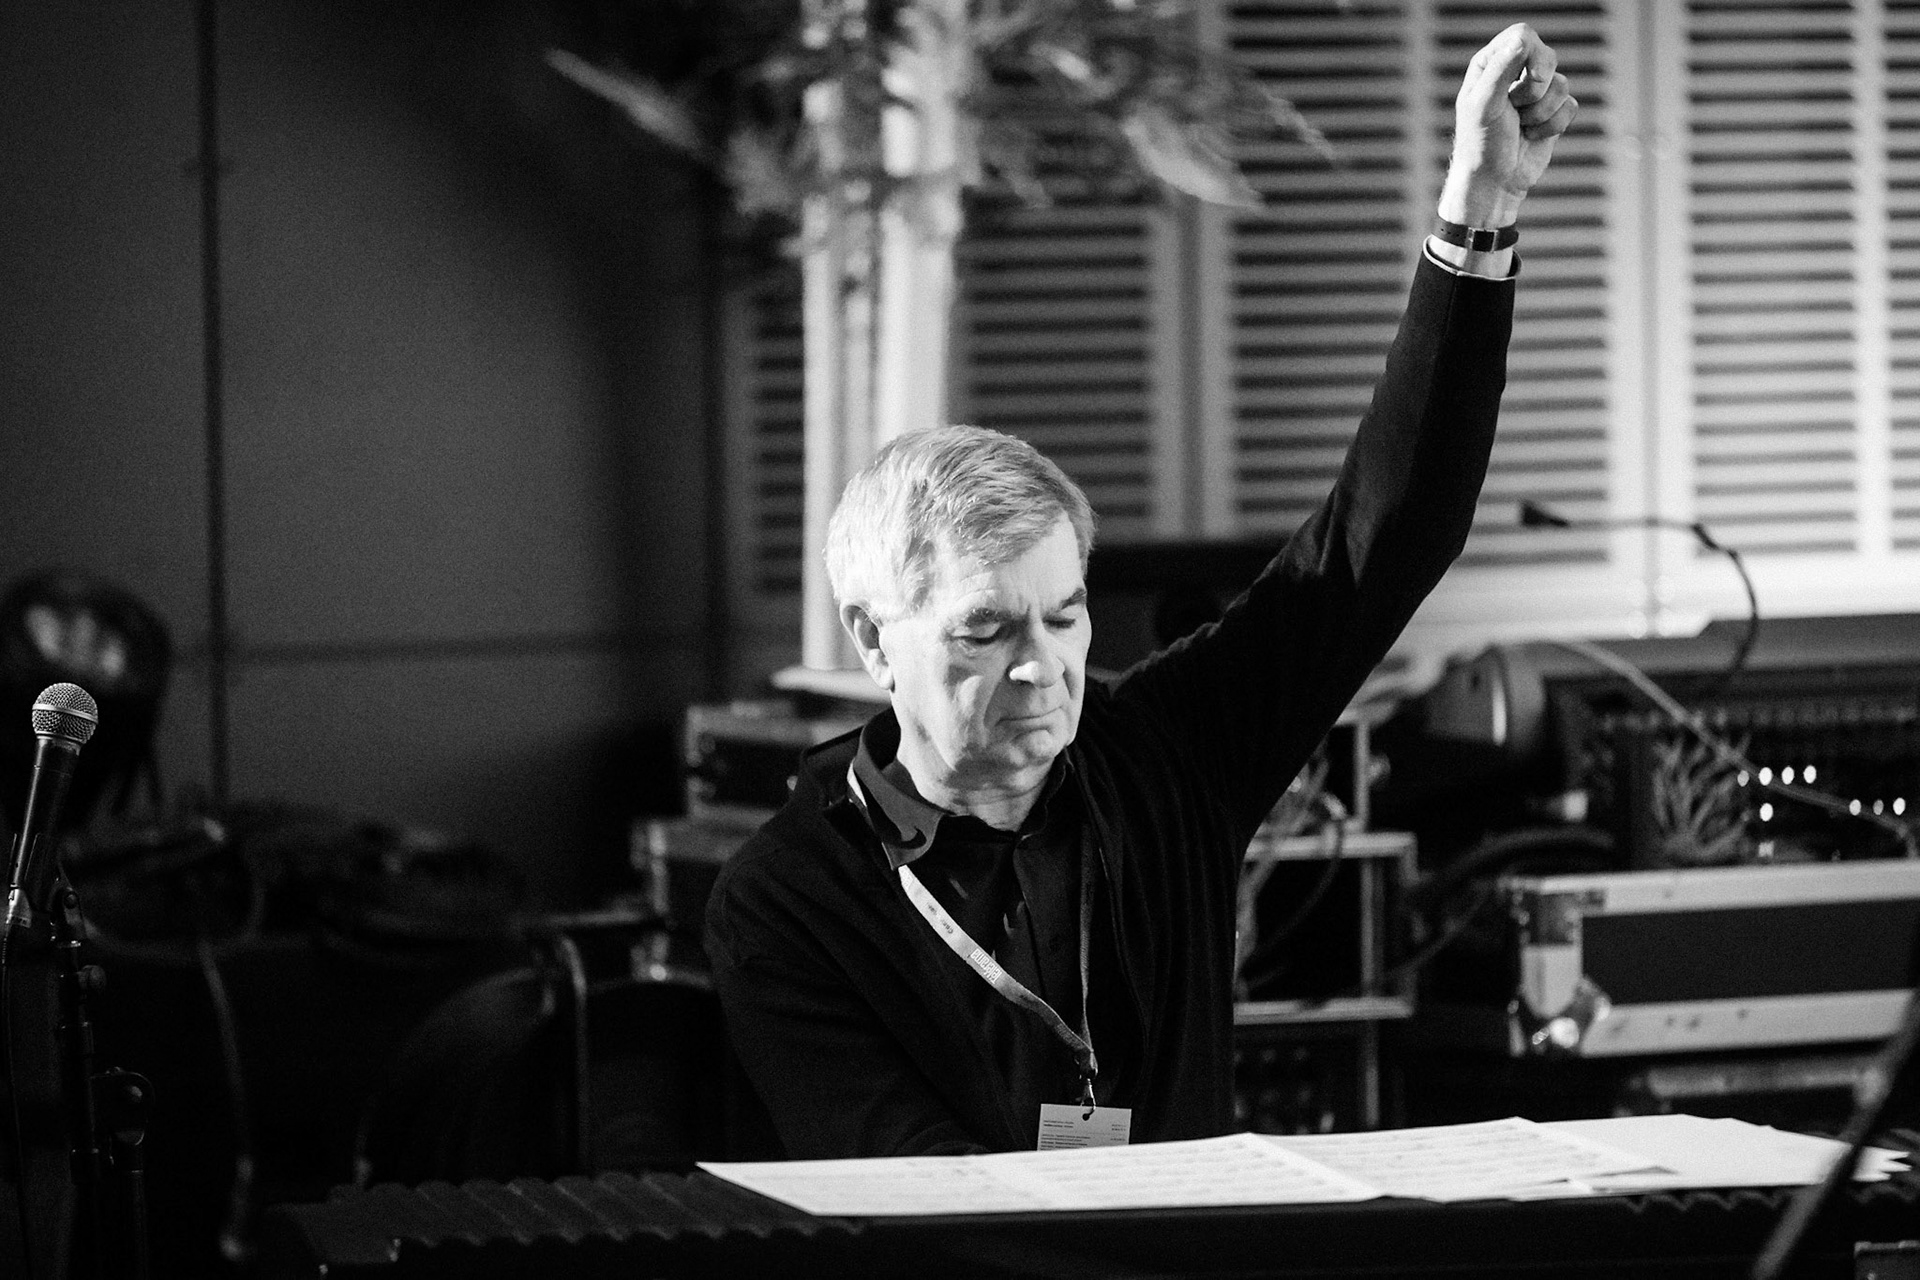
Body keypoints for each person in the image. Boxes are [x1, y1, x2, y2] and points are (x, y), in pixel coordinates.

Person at [705, 22, 1577, 1159]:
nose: (1042, 666)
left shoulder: (1165, 754)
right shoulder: (788, 896)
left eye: (1064, 615)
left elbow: (1386, 537)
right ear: (875, 638)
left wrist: (1480, 213)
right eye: (986, 629)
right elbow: (909, 1196)